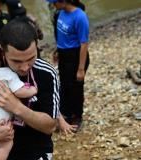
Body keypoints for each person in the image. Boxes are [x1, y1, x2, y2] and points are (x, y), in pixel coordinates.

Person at [0, 18, 59, 159]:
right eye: (16, 61)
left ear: (37, 46)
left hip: (35, 152)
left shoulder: (46, 73)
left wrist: (16, 107)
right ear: (2, 51)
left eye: (31, 58)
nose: (25, 67)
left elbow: (50, 126)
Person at [49, 0, 89, 131]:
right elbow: (61, 35)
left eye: (54, 2)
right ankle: (65, 115)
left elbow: (84, 44)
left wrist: (81, 69)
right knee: (65, 85)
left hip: (75, 56)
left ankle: (77, 116)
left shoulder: (80, 17)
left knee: (76, 88)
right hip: (64, 55)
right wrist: (57, 51)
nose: (53, 5)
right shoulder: (61, 13)